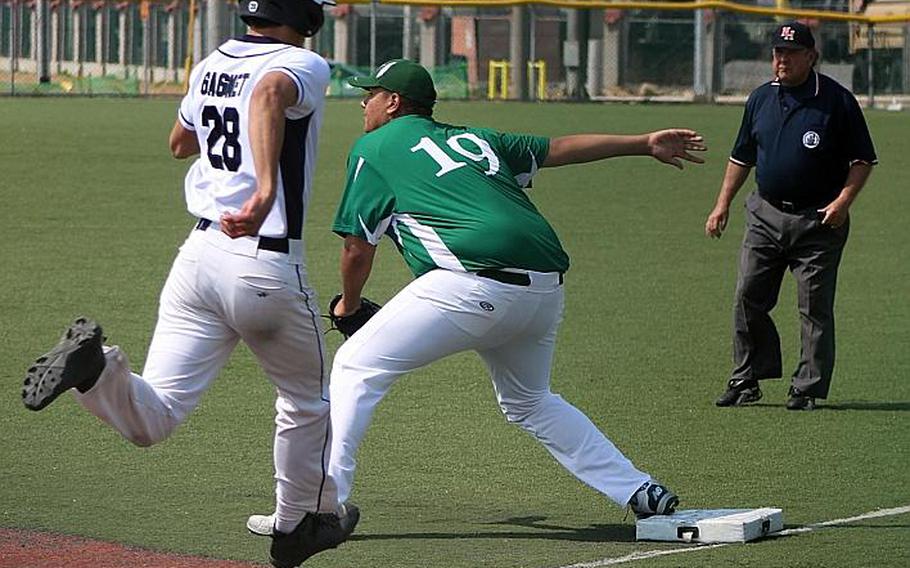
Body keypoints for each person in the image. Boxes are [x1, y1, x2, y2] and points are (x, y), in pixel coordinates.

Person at [21, 1, 357, 566]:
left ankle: (97, 369)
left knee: (155, 417)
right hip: (263, 263)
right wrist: (266, 186)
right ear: (306, 16)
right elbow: (272, 93)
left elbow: (180, 142)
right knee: (307, 403)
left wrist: (236, 148)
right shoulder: (303, 62)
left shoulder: (211, 62)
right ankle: (297, 523)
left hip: (198, 258)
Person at [321, 59, 702, 521]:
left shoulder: (374, 147)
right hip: (543, 293)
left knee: (355, 364)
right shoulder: (477, 138)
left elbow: (357, 249)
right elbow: (559, 148)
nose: (365, 102)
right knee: (531, 402)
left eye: (372, 94)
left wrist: (349, 305)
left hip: (470, 285)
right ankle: (640, 491)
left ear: (394, 103)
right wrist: (642, 143)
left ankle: (320, 504)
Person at [706, 21, 877, 411]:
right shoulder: (761, 99)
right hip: (765, 214)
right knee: (748, 295)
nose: (781, 60)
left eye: (790, 53)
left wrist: (843, 202)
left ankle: (808, 386)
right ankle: (746, 378)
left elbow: (863, 159)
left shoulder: (836, 101)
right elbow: (742, 156)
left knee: (814, 306)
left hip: (819, 221)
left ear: (811, 57)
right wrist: (722, 204)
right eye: (777, 53)